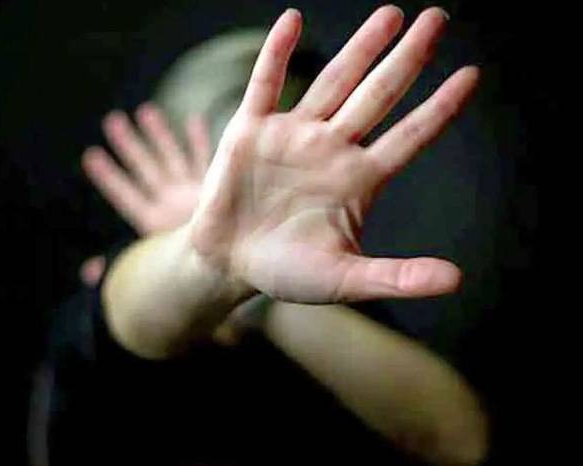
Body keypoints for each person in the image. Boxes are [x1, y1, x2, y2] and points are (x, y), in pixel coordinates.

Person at [32, 5, 489, 466]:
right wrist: (210, 259)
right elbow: (126, 313)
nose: (249, 202)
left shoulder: (339, 301)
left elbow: (460, 442)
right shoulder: (115, 296)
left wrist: (261, 298)